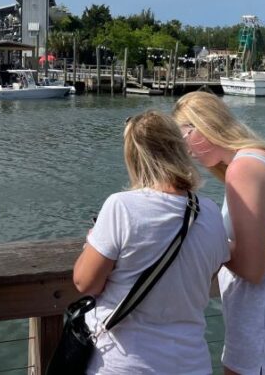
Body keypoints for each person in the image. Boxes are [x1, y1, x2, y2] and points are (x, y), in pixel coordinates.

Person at [73, 110, 228, 374]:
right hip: (191, 363)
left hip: (125, 362)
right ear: (178, 149)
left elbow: (85, 283)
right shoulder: (210, 212)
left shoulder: (121, 206)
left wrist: (92, 244)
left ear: (133, 156)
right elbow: (207, 275)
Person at [173, 91, 265, 375]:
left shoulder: (243, 169)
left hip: (264, 315)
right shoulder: (260, 158)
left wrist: (203, 237)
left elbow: (253, 268)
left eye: (183, 137)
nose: (186, 151)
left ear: (202, 126)